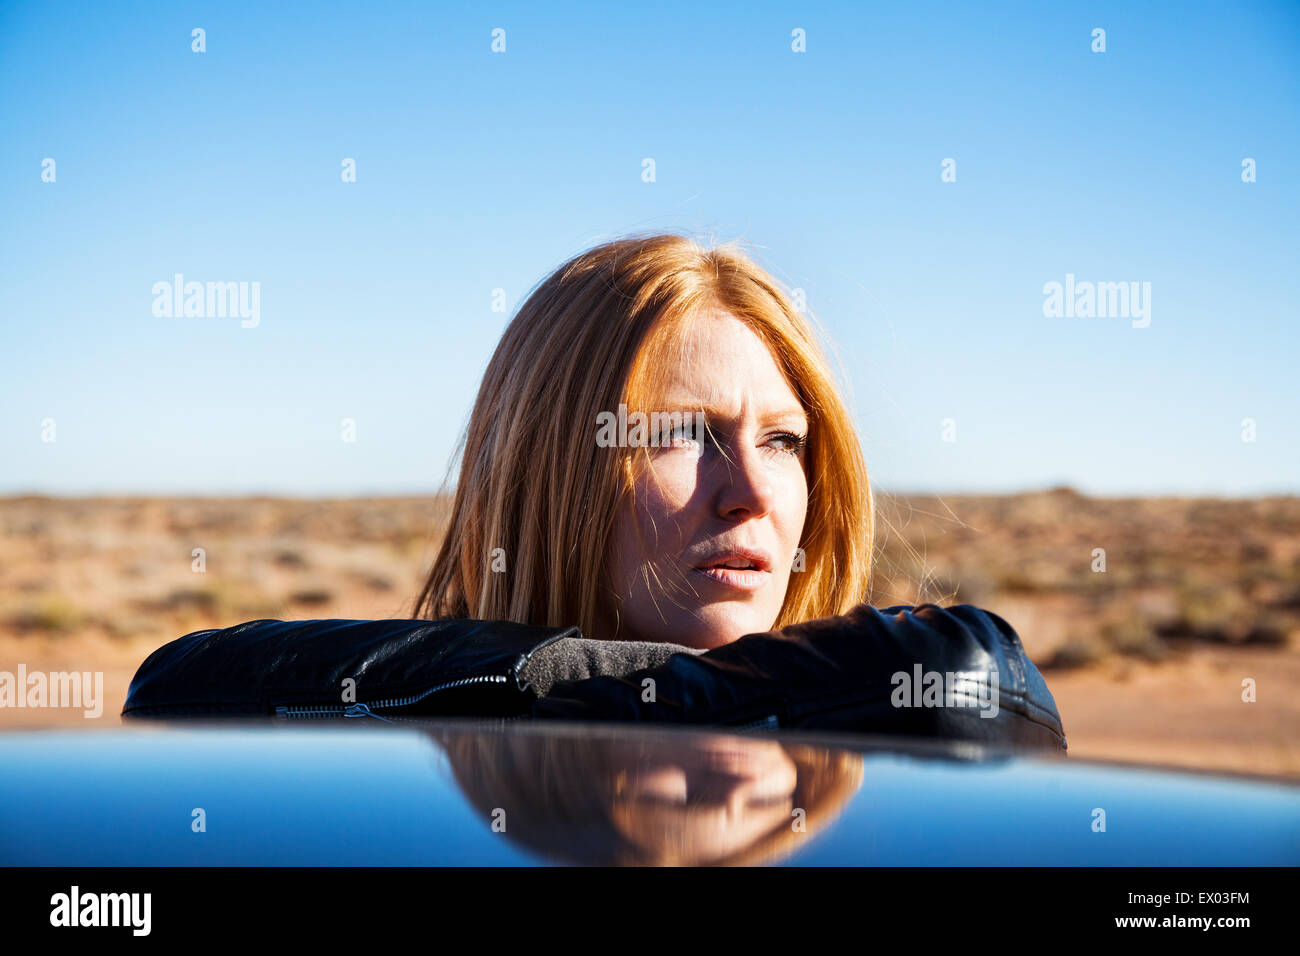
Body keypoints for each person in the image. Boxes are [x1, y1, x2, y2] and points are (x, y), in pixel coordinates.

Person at [123, 233, 1066, 752]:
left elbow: (975, 677)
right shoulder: (425, 778)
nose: (749, 495)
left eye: (782, 442)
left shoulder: (893, 771)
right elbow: (178, 684)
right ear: (549, 473)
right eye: (682, 436)